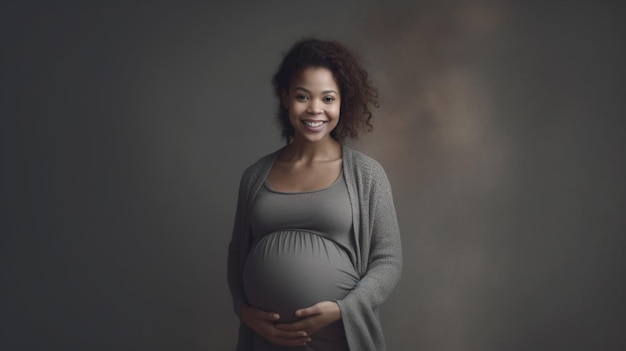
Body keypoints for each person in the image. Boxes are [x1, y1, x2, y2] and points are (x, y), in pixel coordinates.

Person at [227, 38, 402, 351]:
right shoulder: (255, 176)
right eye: (303, 96)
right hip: (268, 343)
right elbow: (237, 254)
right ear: (286, 99)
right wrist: (243, 311)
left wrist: (343, 310)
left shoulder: (366, 174)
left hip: (338, 339)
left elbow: (388, 260)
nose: (315, 109)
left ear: (341, 103)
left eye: (328, 98)